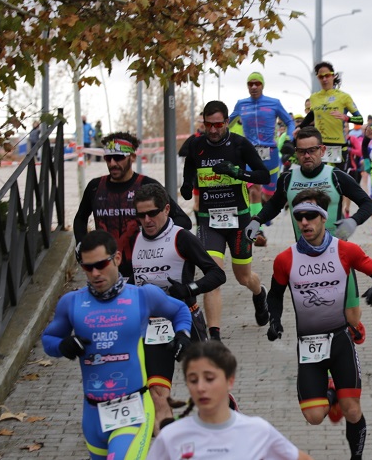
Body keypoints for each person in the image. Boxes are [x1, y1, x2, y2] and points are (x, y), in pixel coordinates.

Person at [42, 230, 193, 460]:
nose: (94, 273)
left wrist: (182, 335)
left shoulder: (143, 296)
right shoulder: (71, 303)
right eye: (87, 267)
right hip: (93, 415)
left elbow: (179, 310)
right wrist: (64, 346)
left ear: (117, 259)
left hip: (133, 410)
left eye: (101, 264)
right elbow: (48, 341)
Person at [265, 190, 372, 460]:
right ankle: (330, 394)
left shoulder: (345, 250)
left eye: (311, 216)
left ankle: (356, 457)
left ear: (323, 218)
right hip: (309, 345)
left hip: (341, 339)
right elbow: (274, 295)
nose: (304, 223)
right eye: (299, 217)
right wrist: (274, 320)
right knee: (314, 416)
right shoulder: (285, 259)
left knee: (352, 410)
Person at [245, 125, 372, 342]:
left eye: (312, 150)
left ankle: (352, 325)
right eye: (302, 151)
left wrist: (353, 221)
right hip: (303, 259)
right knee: (315, 316)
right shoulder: (288, 179)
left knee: (351, 317)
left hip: (337, 256)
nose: (307, 155)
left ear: (322, 150)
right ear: (296, 153)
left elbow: (367, 204)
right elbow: (275, 205)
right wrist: (257, 220)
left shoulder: (336, 177)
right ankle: (330, 365)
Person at [131, 183, 227, 433]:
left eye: (152, 213)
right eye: (140, 215)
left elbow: (217, 275)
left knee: (209, 390)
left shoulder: (181, 237)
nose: (147, 220)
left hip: (186, 320)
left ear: (166, 209)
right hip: (151, 328)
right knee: (159, 393)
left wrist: (190, 288)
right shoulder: (133, 240)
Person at [180, 101, 271, 341]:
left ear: (227, 121)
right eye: (208, 125)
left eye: (218, 124)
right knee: (213, 277)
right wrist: (188, 185)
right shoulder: (197, 145)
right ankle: (215, 337)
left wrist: (238, 173)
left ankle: (259, 293)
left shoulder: (240, 144)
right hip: (209, 221)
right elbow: (189, 168)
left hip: (238, 221)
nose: (212, 130)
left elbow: (264, 174)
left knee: (244, 278)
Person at [146, 342, 313, 460]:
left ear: (230, 381)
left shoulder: (257, 430)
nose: (201, 387)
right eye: (193, 380)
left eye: (210, 378)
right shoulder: (171, 436)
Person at [74, 132, 192, 279]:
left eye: (119, 158)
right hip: (106, 270)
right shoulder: (95, 187)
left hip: (144, 270)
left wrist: (153, 236)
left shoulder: (148, 185)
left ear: (133, 157)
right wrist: (81, 243)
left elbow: (183, 220)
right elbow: (80, 218)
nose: (112, 164)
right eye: (108, 158)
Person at [229, 72, 295, 247]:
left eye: (257, 83)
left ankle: (263, 213)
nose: (253, 87)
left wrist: (289, 138)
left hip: (270, 155)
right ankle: (257, 229)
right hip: (249, 153)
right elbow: (226, 122)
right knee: (254, 191)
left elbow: (290, 122)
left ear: (262, 85)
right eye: (250, 84)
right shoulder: (241, 104)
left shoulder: (273, 103)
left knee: (269, 195)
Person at [299, 61, 363, 171]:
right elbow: (311, 115)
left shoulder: (344, 97)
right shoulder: (314, 97)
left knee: (339, 182)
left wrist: (347, 118)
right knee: (319, 181)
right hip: (320, 146)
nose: (324, 79)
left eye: (327, 76)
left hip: (339, 146)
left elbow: (360, 120)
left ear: (333, 76)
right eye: (321, 77)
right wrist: (299, 128)